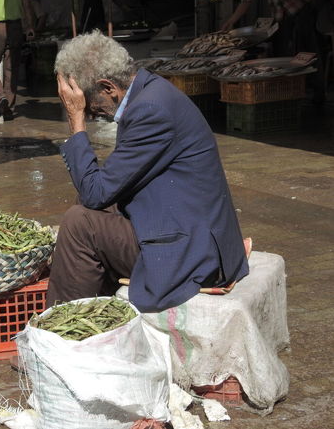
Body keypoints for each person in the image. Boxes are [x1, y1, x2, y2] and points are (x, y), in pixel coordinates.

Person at [47, 30, 250, 313]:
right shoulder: (150, 93)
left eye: (91, 107)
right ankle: (89, 312)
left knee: (80, 222)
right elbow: (104, 187)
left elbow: (96, 193)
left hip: (193, 251)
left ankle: (62, 330)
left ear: (108, 87)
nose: (93, 114)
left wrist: (76, 121)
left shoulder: (151, 110)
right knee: (85, 206)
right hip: (179, 219)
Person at [221, 0, 324, 103]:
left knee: (309, 51)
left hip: (300, 7)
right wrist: (231, 21)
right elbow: (246, 0)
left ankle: (318, 92)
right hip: (280, 16)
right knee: (285, 54)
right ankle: (291, 94)